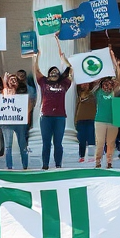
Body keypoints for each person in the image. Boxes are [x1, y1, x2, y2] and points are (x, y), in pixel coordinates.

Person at [34, 35, 72, 170]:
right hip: (45, 116)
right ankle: (45, 164)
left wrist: (64, 60)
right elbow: (37, 71)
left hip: (60, 116)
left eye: (56, 71)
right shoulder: (43, 82)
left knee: (58, 142)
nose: (54, 72)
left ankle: (58, 164)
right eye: (52, 71)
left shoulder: (65, 84)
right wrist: (37, 56)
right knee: (46, 143)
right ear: (48, 74)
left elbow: (71, 70)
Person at [94, 48, 120, 169]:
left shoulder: (114, 92)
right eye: (105, 83)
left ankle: (109, 162)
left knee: (111, 143)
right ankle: (97, 162)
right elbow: (95, 78)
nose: (108, 85)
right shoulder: (97, 92)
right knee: (100, 143)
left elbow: (119, 78)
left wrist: (116, 64)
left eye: (110, 84)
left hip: (113, 121)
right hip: (100, 120)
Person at [1, 73, 29, 171]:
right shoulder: (5, 91)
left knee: (22, 144)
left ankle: (25, 165)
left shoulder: (22, 92)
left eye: (15, 80)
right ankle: (9, 166)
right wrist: (5, 81)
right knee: (8, 146)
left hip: (19, 122)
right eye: (11, 80)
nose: (13, 82)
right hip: (7, 122)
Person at [75, 82, 97, 162]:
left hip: (91, 119)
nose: (85, 85)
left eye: (87, 83)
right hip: (80, 120)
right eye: (83, 83)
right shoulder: (77, 94)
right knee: (81, 139)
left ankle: (91, 156)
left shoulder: (93, 93)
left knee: (91, 138)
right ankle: (82, 156)